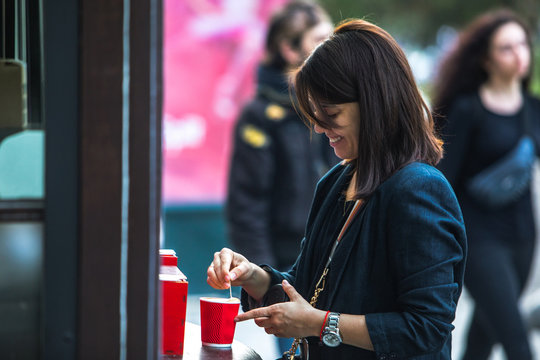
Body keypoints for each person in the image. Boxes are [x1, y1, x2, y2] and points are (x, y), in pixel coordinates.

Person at [209, 18, 467, 359]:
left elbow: (427, 329)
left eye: (330, 113)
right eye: (314, 113)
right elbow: (306, 290)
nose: (318, 127)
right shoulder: (336, 181)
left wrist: (319, 324)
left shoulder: (419, 189)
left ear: (375, 104)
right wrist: (253, 276)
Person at [225, 1, 337, 354]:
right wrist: (263, 276)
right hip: (285, 263)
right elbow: (247, 201)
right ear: (289, 49)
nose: (333, 49)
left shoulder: (335, 104)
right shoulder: (260, 115)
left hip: (330, 255)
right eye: (321, 40)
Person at [431, 9, 540, 360]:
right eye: (506, 47)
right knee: (517, 342)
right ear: (486, 58)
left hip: (523, 236)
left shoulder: (534, 108)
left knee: (483, 338)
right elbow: (443, 178)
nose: (519, 53)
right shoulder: (468, 110)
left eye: (522, 44)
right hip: (479, 240)